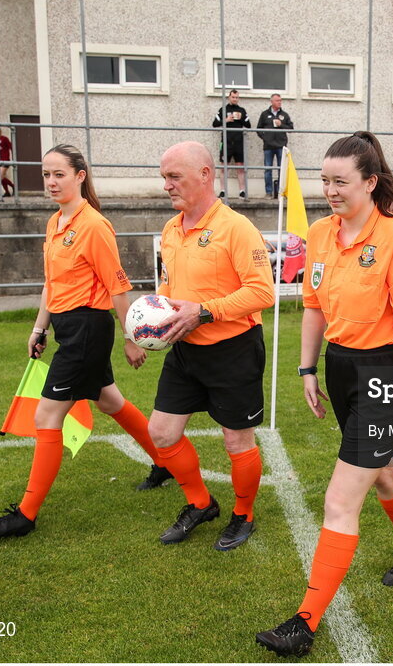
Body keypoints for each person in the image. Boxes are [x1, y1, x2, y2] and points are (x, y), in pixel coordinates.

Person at [255, 131, 393, 657]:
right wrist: (307, 368)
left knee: (339, 501)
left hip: (384, 376)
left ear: (370, 181)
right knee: (384, 475)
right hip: (340, 368)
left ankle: (304, 623)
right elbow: (312, 306)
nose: (330, 191)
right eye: (325, 181)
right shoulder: (318, 233)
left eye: (341, 181)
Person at [0, 144, 164, 538]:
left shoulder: (93, 225)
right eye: (46, 174)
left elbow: (117, 287)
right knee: (110, 400)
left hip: (86, 331)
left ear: (80, 176)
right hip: (67, 327)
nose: (50, 181)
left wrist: (131, 338)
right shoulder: (54, 223)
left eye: (59, 174)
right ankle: (163, 461)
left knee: (47, 416)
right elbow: (51, 284)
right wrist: (38, 329)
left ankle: (25, 516)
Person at [147, 141, 275, 548]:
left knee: (237, 440)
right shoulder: (171, 229)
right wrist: (156, 315)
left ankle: (244, 514)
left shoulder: (237, 228)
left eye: (174, 177)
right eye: (164, 177)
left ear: (205, 175)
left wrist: (203, 311)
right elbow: (169, 286)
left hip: (233, 350)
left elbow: (262, 293)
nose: (166, 185)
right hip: (186, 349)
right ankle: (201, 503)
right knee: (162, 433)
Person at [213, 89, 250, 200]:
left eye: (237, 97)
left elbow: (248, 125)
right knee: (224, 166)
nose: (235, 99)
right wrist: (226, 120)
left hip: (238, 142)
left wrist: (242, 119)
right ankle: (223, 191)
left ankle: (242, 191)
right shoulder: (223, 110)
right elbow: (214, 124)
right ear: (229, 97)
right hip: (226, 142)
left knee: (240, 167)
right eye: (233, 97)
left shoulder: (242, 110)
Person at [256, 94, 294, 198]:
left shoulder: (284, 115)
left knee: (282, 169)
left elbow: (290, 128)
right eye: (277, 100)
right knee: (268, 169)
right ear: (271, 101)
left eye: (280, 100)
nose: (279, 102)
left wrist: (281, 124)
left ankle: (281, 193)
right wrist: (265, 138)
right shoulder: (264, 114)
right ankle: (269, 192)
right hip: (268, 146)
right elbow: (258, 129)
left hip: (281, 146)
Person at [0, 129, 14, 200]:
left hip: (6, 160)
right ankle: (7, 192)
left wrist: (14, 157)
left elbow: (11, 147)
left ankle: (13, 186)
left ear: (0, 131)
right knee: (2, 178)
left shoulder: (4, 139)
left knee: (1, 176)